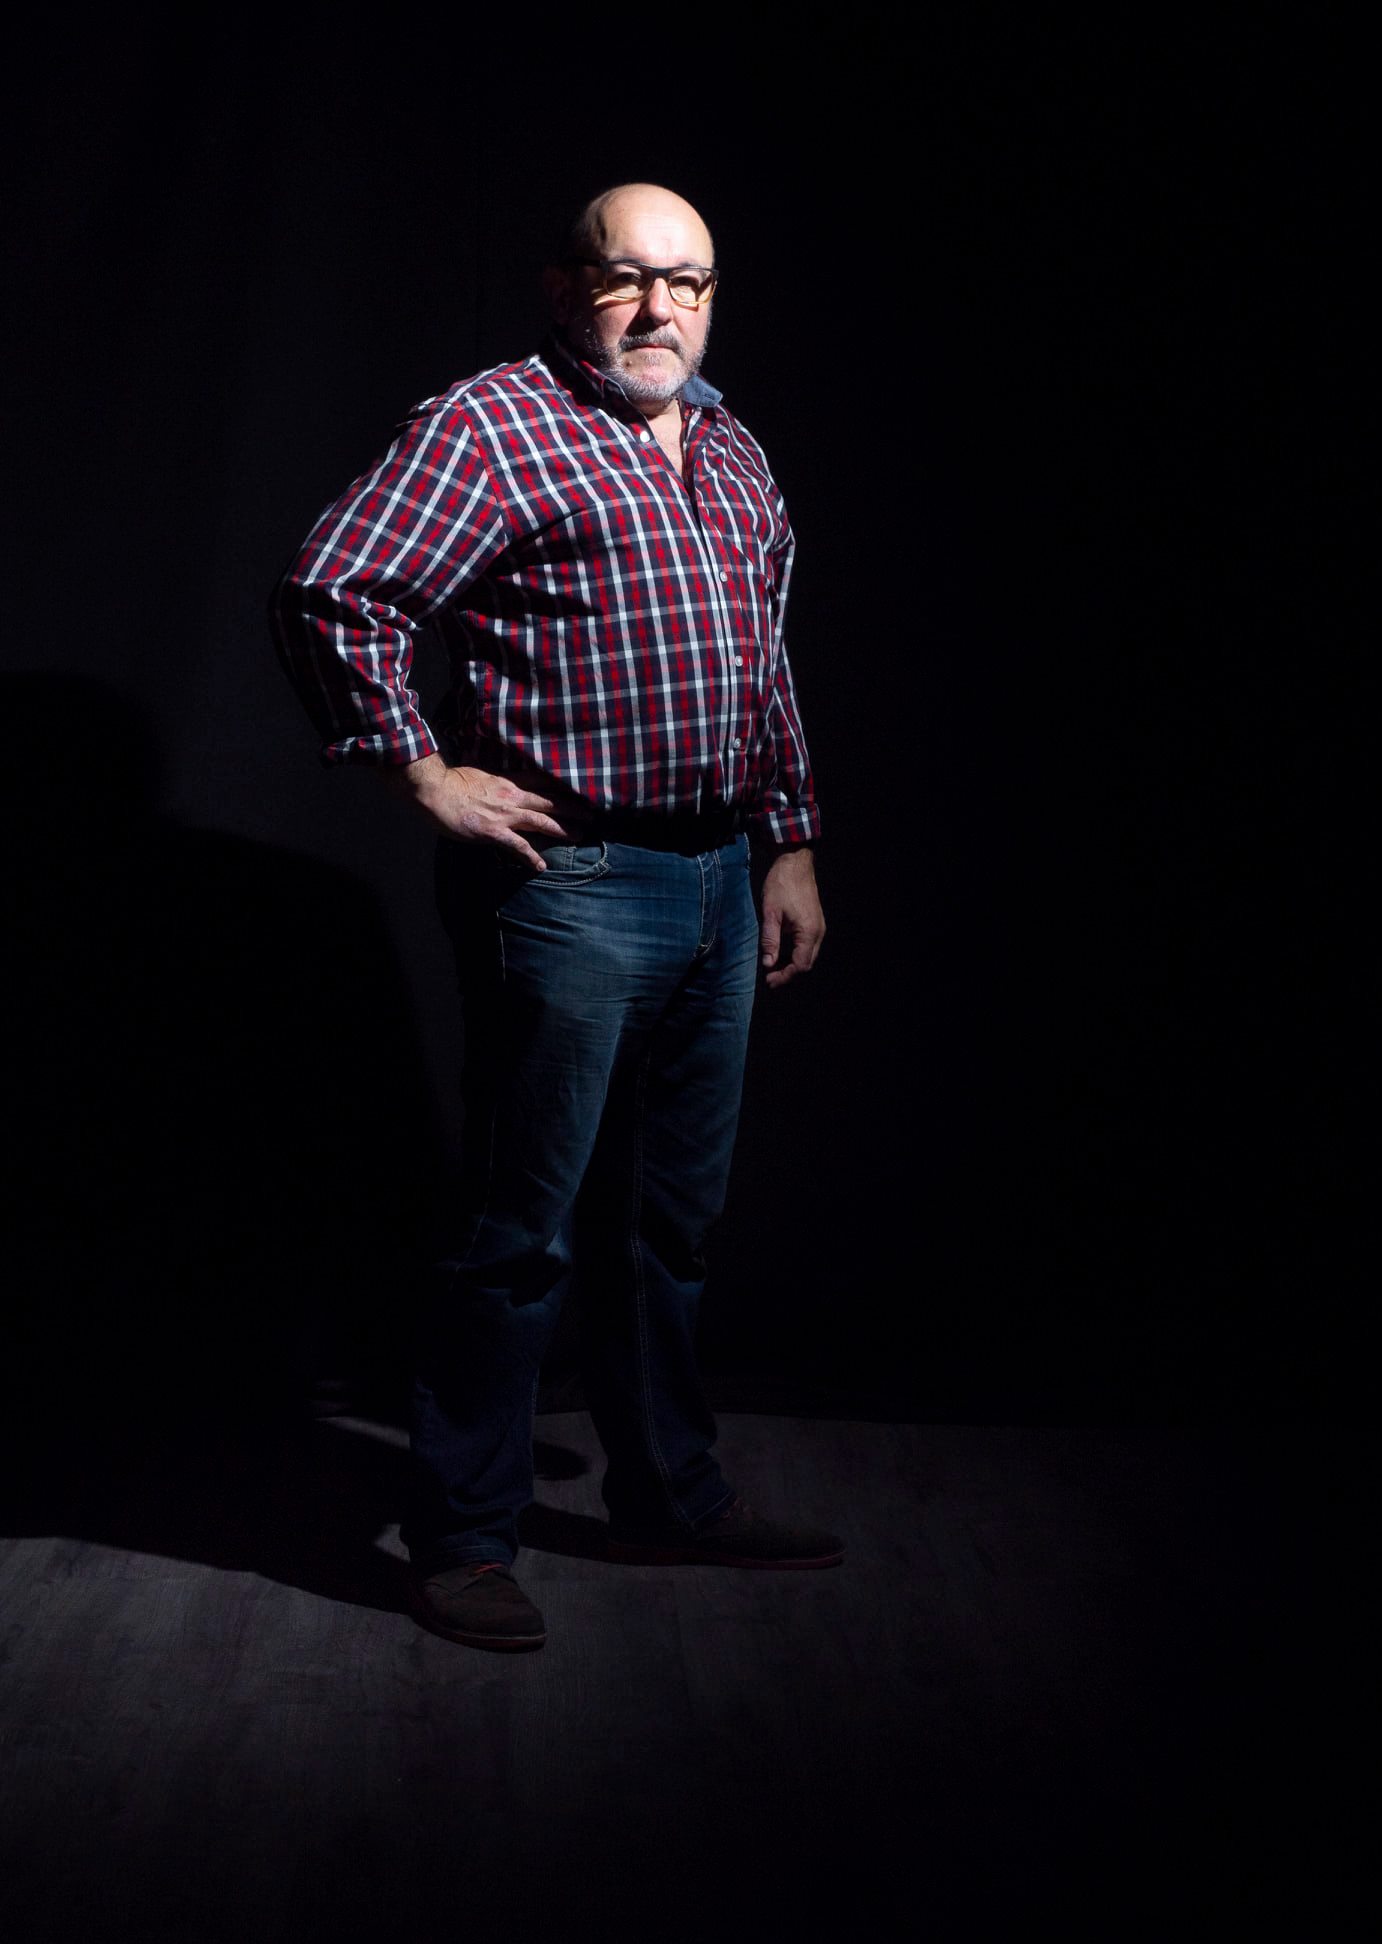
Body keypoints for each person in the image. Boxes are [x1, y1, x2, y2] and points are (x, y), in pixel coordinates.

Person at [269, 182, 842, 1652]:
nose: (658, 309)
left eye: (687, 282)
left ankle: (670, 1493)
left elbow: (763, 660)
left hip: (719, 878)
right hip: (571, 881)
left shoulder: (730, 446)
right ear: (563, 285)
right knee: (519, 1230)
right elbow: (335, 590)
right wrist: (419, 769)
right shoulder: (490, 424)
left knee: (669, 1225)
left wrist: (786, 843)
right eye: (625, 277)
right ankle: (463, 1538)